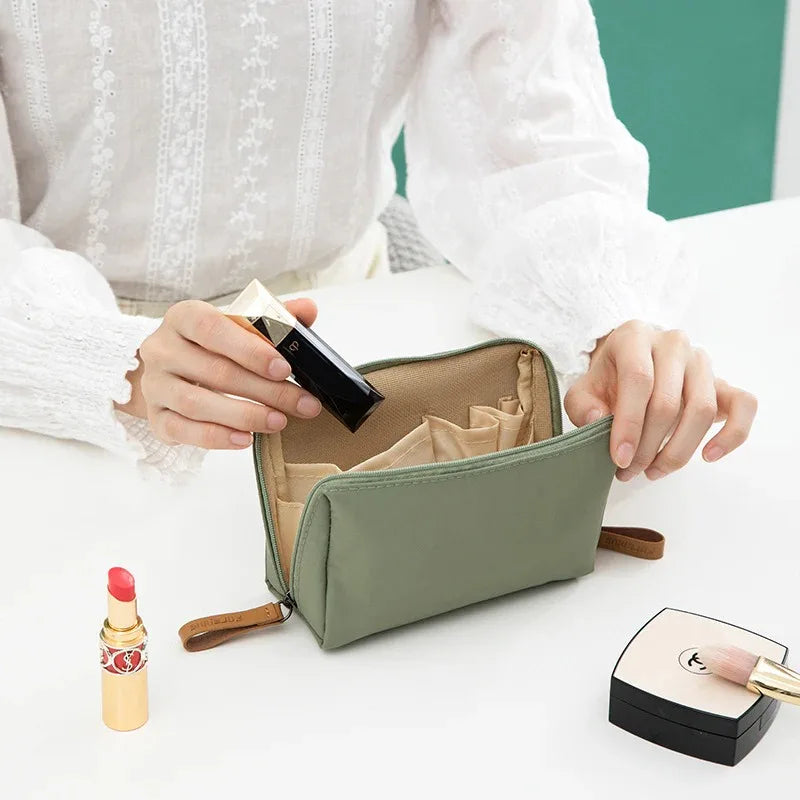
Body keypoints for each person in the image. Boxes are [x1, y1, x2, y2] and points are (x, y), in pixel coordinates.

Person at [0, 1, 755, 481]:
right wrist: (104, 359)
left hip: (352, 335)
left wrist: (609, 314)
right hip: (73, 395)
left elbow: (524, 103)